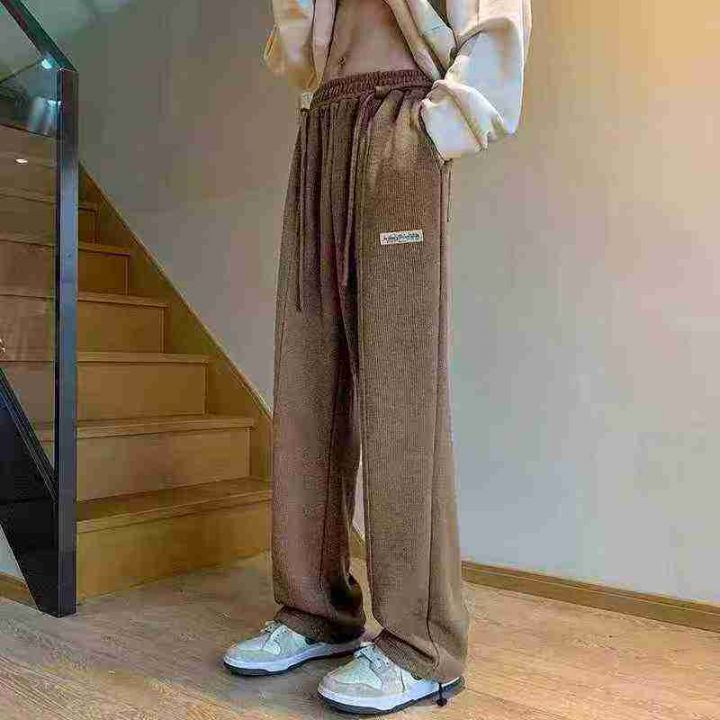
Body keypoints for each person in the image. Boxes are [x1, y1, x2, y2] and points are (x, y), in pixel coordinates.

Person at [223, 0, 532, 714]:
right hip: (322, 121)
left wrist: (435, 128)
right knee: (306, 377)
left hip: (401, 115)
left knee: (401, 387)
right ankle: (316, 609)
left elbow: (498, 21)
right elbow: (297, 47)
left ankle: (423, 643)